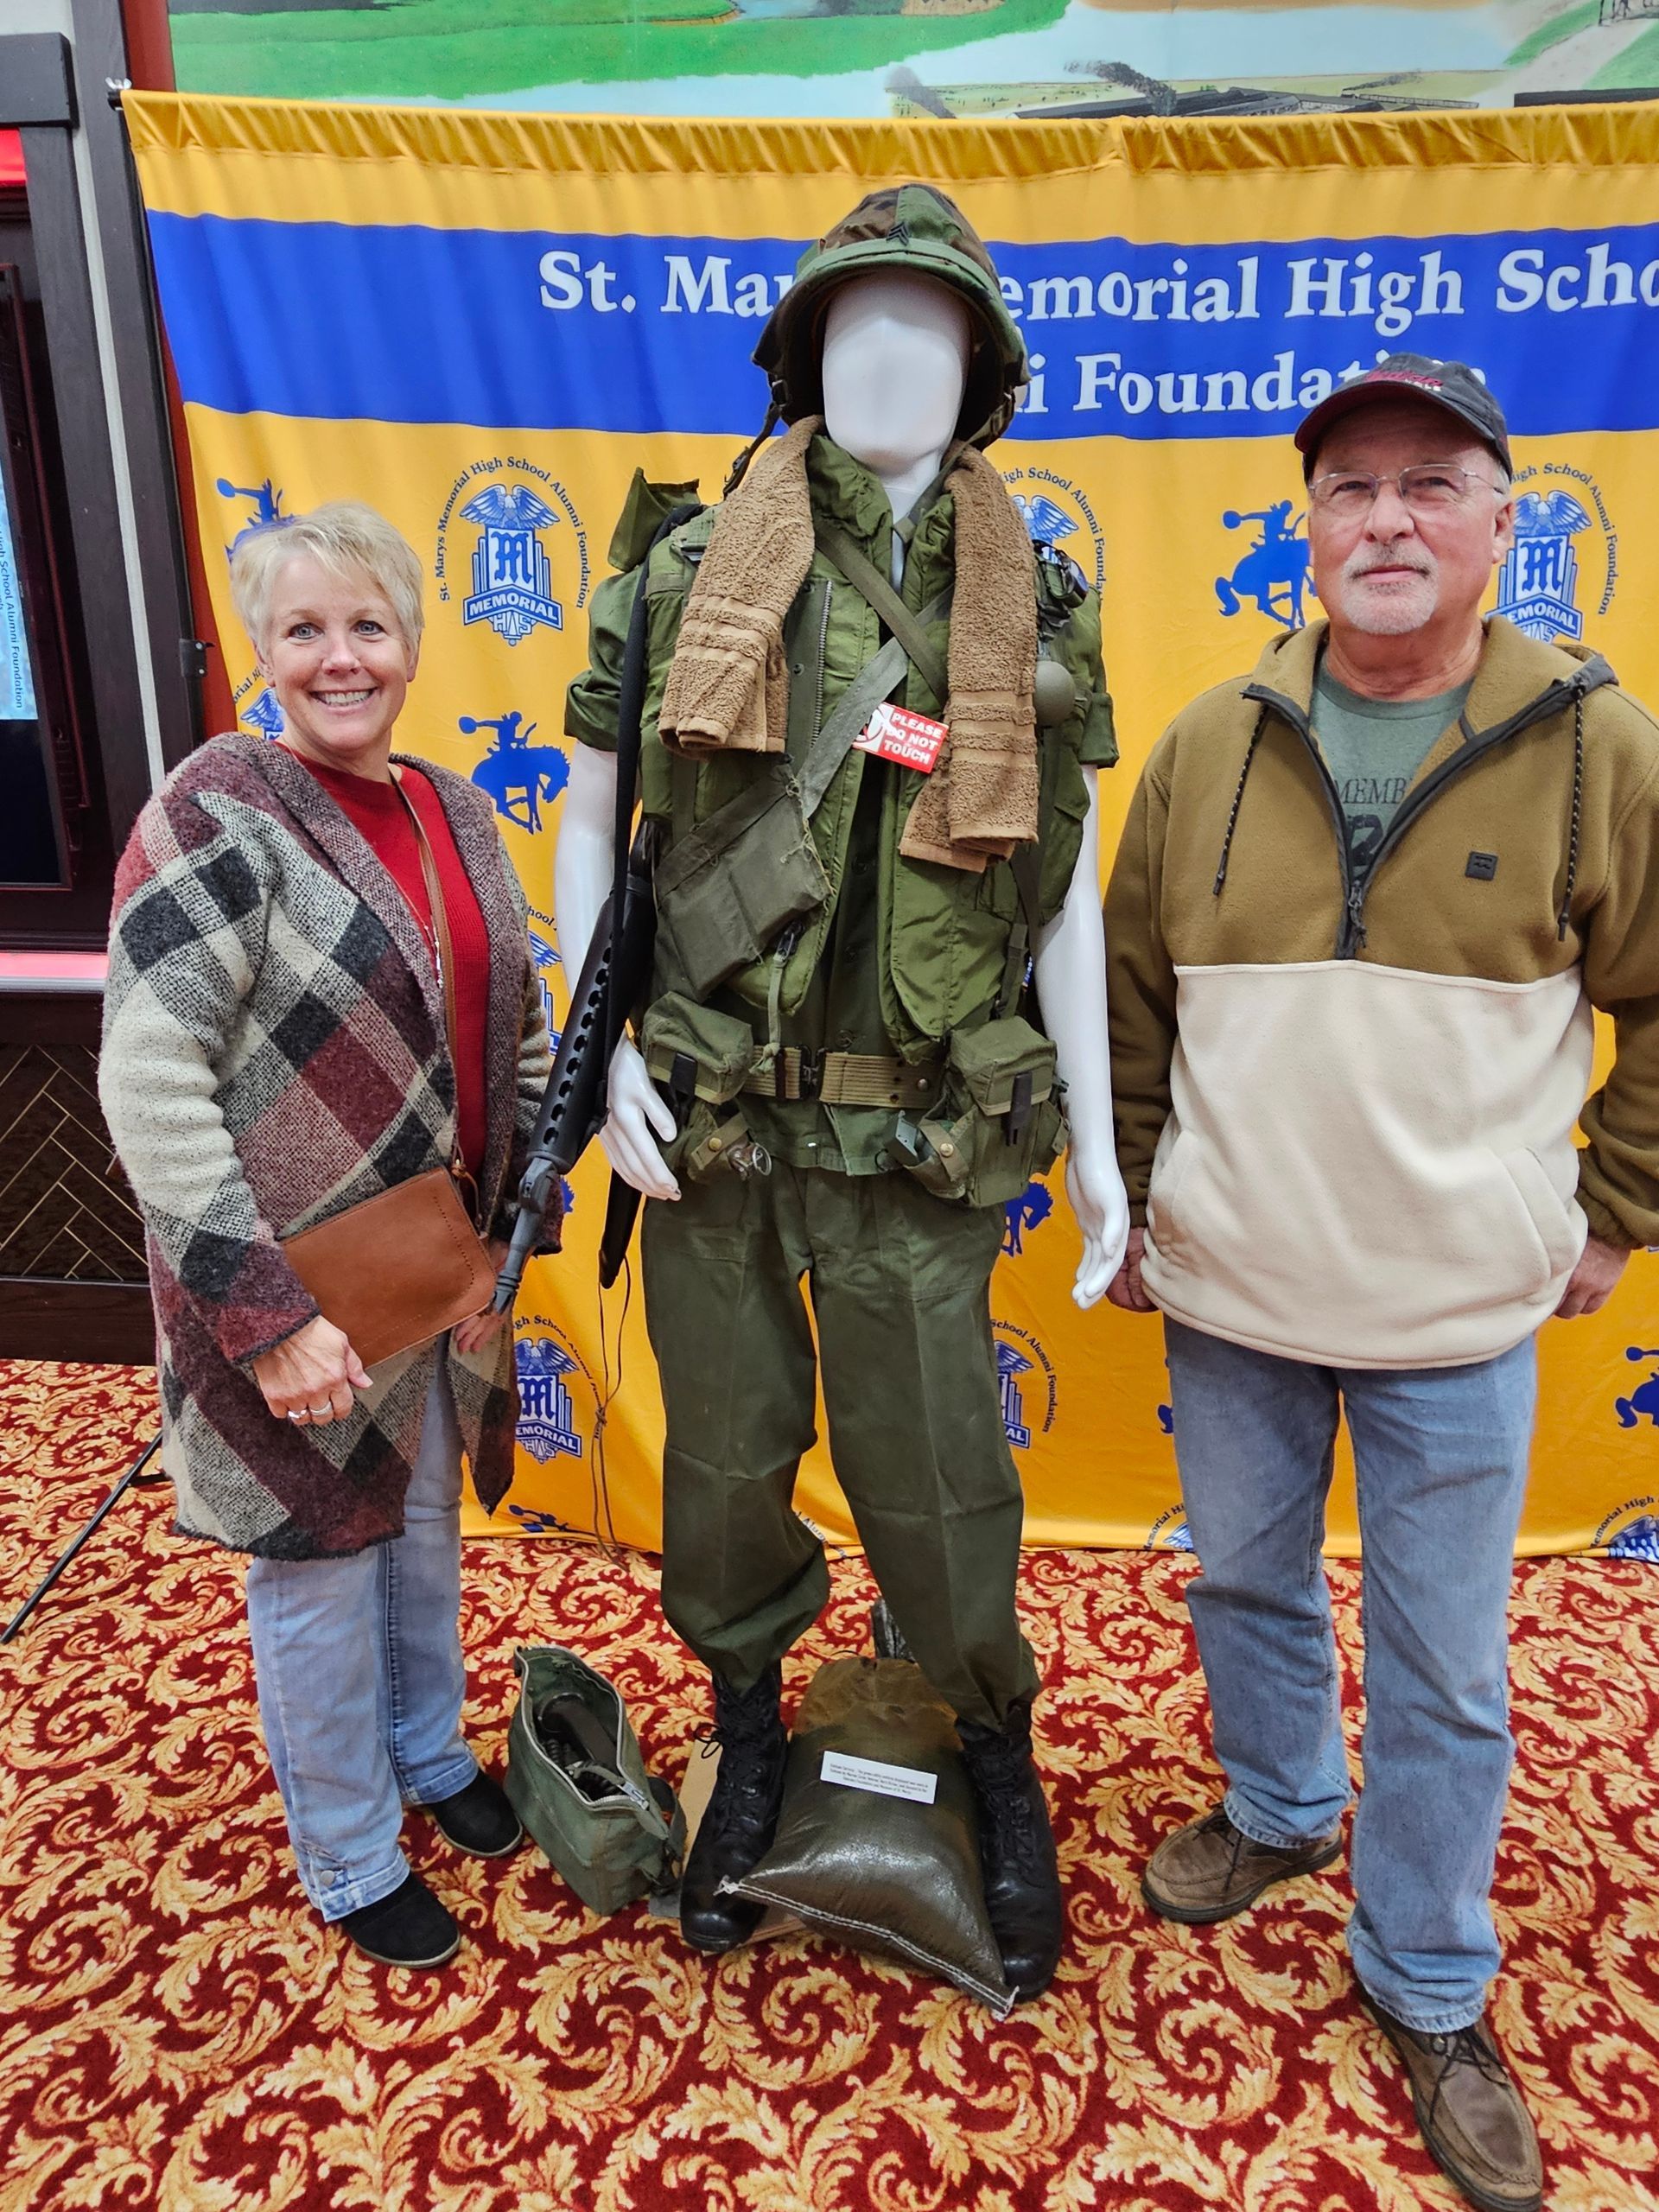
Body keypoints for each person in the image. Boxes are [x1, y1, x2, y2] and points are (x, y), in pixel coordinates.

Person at [559, 186, 1128, 2001]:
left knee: (941, 1478)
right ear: (802, 359)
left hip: (919, 1133)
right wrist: (594, 1070)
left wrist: (1104, 1145)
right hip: (715, 1118)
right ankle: (743, 1730)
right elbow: (593, 821)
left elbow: (1064, 887)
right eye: (856, 324)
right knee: (723, 1469)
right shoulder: (681, 573)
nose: (891, 355)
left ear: (981, 374)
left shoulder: (1031, 600)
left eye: (932, 327)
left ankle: (988, 1749)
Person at [1105, 354, 1659, 2212]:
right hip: (1235, 1283)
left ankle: (1426, 1973)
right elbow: (1127, 998)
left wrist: (1614, 1209)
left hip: (1454, 1311)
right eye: (1350, 486)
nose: (1389, 519)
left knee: (1446, 1661)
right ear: (1309, 526)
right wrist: (1128, 1194)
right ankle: (1275, 1806)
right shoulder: (1206, 740)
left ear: (1507, 520)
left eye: (1433, 484)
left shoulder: (1600, 743)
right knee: (1247, 1574)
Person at [100, 502, 553, 1971]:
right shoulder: (212, 811)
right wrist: (263, 1312)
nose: (339, 658)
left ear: (412, 644)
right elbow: (149, 1075)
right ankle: (350, 1849)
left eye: (367, 627)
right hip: (291, 1291)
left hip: (432, 1269)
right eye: (305, 629)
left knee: (419, 1532)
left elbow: (520, 1031)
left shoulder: (451, 808)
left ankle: (428, 1757)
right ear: (260, 650)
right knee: (316, 1564)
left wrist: (510, 1245)